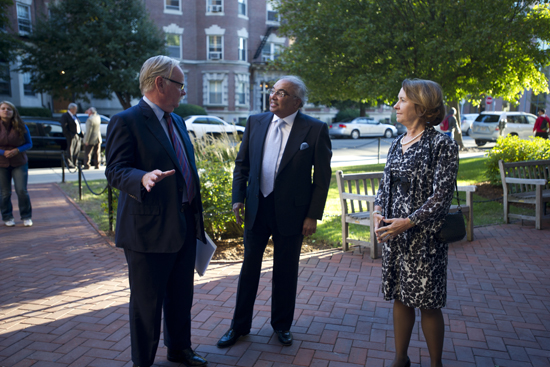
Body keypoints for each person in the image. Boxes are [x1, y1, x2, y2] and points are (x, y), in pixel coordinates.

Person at [105, 55, 207, 367]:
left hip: (184, 223)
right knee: (147, 304)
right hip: (148, 231)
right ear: (160, 84)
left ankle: (179, 349)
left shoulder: (176, 119)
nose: (184, 92)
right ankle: (143, 362)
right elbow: (115, 170)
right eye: (180, 85)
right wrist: (142, 177)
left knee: (180, 296)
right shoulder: (127, 121)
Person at [217, 76, 332, 348]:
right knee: (248, 271)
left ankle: (281, 326)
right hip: (257, 208)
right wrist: (238, 198)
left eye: (282, 93)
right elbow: (241, 165)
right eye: (274, 91)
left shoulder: (314, 130)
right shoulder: (255, 122)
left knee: (285, 271)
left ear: (297, 101)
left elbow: (322, 178)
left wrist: (312, 215)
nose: (274, 96)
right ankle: (239, 327)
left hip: (292, 214)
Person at [373, 79, 458, 367]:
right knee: (400, 297)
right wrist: (377, 211)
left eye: (402, 100)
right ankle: (401, 358)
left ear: (421, 107)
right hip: (395, 235)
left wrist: (407, 222)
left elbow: (441, 198)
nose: (395, 105)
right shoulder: (397, 142)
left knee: (429, 304)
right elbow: (385, 185)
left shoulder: (441, 145)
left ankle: (436, 364)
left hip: (426, 238)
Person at [0, 101, 33, 227]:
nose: (5, 111)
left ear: (13, 112)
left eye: (9, 109)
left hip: (19, 162)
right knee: (4, 192)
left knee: (21, 190)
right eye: (3, 108)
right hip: (1, 163)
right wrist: (3, 152)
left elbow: (29, 143)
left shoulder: (21, 126)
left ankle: (26, 216)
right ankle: (7, 216)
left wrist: (17, 150)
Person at [60, 102, 82, 168]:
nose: (76, 110)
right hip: (70, 136)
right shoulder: (65, 116)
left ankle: (75, 162)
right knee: (70, 150)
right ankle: (69, 163)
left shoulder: (74, 115)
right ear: (71, 109)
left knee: (77, 150)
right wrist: (69, 134)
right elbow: (64, 126)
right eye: (75, 109)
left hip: (77, 135)